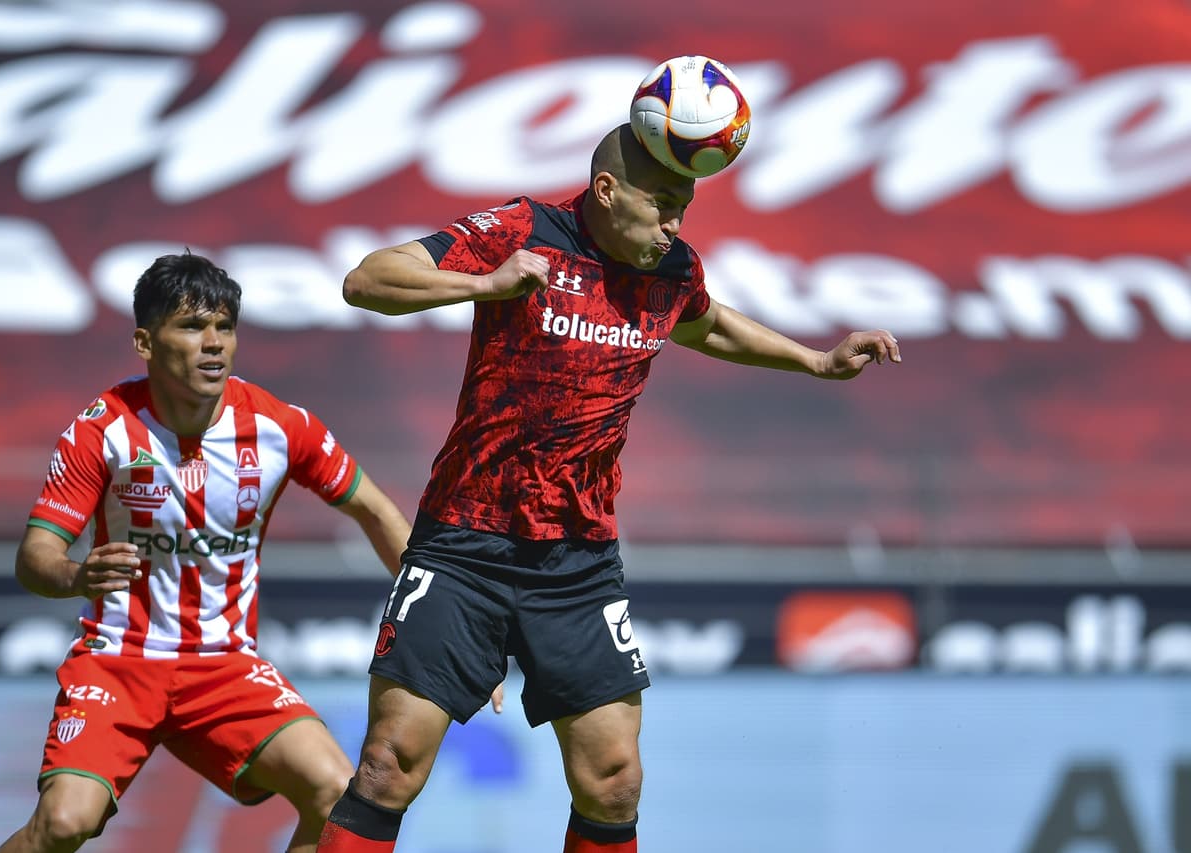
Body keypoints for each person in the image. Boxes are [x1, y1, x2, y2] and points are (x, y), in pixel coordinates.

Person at [318, 124, 902, 853]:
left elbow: (707, 324)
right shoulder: (523, 229)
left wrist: (816, 361)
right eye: (661, 204)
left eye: (683, 207)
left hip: (578, 559)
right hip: (465, 542)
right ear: (606, 191)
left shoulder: (671, 269)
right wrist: (485, 283)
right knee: (387, 765)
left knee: (615, 777)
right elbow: (367, 280)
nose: (673, 223)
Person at [0, 251, 424, 853]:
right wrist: (75, 575)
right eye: (193, 327)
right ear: (146, 342)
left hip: (225, 667)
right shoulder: (102, 430)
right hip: (119, 662)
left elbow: (376, 511)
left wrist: (434, 617)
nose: (214, 343)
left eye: (224, 326)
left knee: (335, 795)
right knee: (65, 824)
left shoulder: (280, 426)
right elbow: (33, 556)